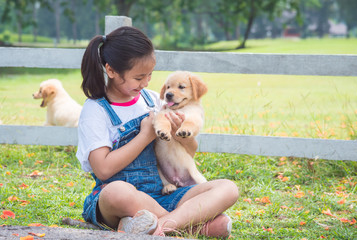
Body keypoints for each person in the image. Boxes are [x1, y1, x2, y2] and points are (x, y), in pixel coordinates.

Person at [76, 26, 239, 238]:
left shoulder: (152, 100)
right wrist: (145, 136)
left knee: (228, 188)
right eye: (138, 77)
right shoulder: (96, 110)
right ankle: (178, 226)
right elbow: (103, 170)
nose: (145, 83)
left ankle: (153, 226)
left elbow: (190, 152)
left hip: (162, 193)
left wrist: (180, 132)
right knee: (118, 192)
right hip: (119, 199)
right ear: (111, 70)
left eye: (150, 75)